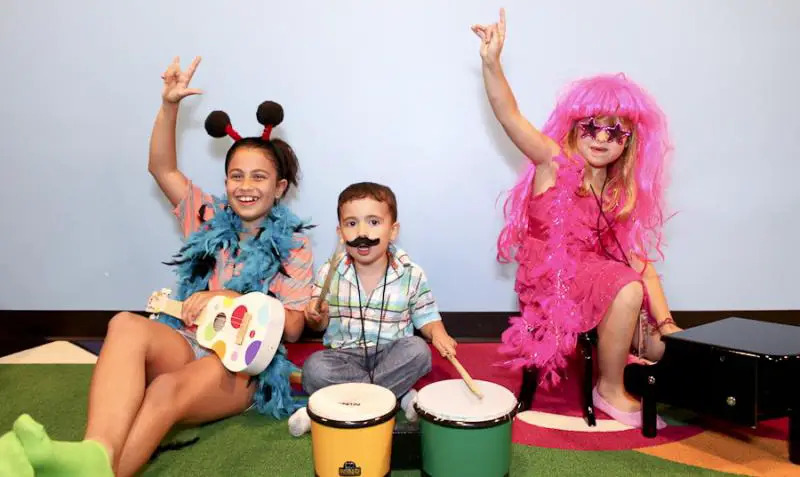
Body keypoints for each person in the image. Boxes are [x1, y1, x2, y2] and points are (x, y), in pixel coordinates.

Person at [0, 56, 314, 477]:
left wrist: (227, 296)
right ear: (224, 185)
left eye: (259, 177)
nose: (245, 186)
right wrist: (169, 105)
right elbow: (161, 167)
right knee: (125, 325)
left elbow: (293, 327)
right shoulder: (207, 215)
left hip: (243, 368)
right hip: (186, 341)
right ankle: (94, 454)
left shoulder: (294, 243)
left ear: (278, 188)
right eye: (236, 176)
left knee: (164, 389)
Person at [472, 9, 681, 428]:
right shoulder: (553, 161)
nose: (602, 138)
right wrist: (492, 64)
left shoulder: (618, 190)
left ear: (628, 142)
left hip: (595, 276)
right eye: (592, 127)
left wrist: (666, 322)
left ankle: (662, 340)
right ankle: (608, 388)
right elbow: (509, 116)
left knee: (660, 334)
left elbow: (633, 258)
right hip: (554, 281)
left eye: (615, 132)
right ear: (575, 127)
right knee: (624, 283)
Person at [287, 182, 458, 437]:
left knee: (418, 351)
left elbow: (427, 316)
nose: (362, 232)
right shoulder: (329, 272)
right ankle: (397, 396)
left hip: (391, 354)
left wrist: (439, 333)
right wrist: (316, 317)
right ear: (340, 232)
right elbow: (317, 324)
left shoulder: (411, 273)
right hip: (344, 357)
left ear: (393, 230)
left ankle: (333, 408)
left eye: (374, 222)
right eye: (352, 223)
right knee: (314, 368)